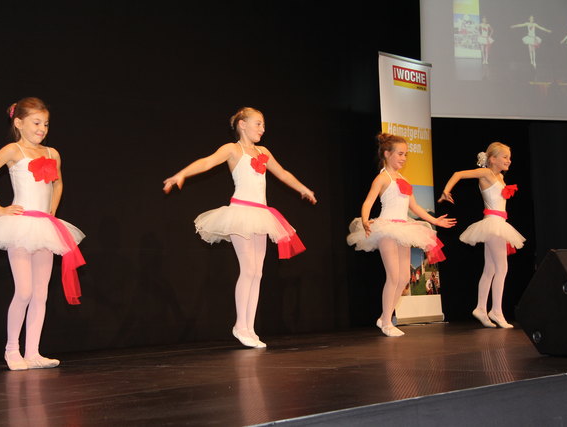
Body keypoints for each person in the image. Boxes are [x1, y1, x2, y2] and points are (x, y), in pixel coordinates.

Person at [163, 107, 316, 348]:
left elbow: (282, 173)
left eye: (263, 125)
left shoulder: (264, 152)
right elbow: (207, 162)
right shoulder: (232, 149)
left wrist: (303, 188)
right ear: (242, 124)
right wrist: (181, 174)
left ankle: (250, 328)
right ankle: (240, 326)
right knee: (248, 270)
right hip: (241, 213)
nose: (263, 129)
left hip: (261, 213)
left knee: (258, 273)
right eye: (258, 123)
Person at [0, 97, 85, 370]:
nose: (41, 129)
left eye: (45, 124)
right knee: (23, 291)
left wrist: (52, 210)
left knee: (40, 294)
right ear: (19, 123)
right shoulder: (14, 150)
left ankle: (33, 352)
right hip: (21, 227)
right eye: (36, 123)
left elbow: (58, 184)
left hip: (44, 226)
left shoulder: (52, 153)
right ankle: (12, 350)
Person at [346, 133, 455, 337]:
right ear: (387, 154)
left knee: (404, 277)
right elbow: (368, 202)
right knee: (394, 276)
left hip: (404, 228)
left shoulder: (404, 179)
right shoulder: (382, 178)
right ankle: (387, 322)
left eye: (406, 155)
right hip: (387, 228)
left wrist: (435, 221)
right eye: (400, 154)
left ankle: (383, 317)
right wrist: (365, 219)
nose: (404, 158)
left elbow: (415, 207)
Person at [438, 142, 525, 329]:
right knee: (501, 268)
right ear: (492, 159)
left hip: (499, 222)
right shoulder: (486, 173)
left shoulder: (500, 176)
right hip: (493, 223)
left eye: (509, 157)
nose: (509, 160)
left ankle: (480, 308)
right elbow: (458, 174)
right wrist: (446, 190)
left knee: (490, 269)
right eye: (505, 157)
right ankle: (496, 311)